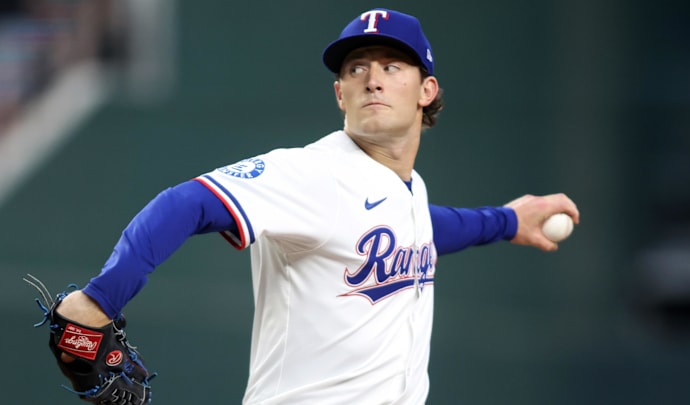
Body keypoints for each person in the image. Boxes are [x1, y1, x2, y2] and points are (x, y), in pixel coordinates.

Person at [53, 8, 580, 404]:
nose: (372, 77)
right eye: (356, 69)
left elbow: (423, 227)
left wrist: (507, 221)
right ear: (339, 95)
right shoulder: (312, 173)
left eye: (393, 66)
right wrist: (101, 298)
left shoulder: (406, 189)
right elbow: (184, 203)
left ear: (427, 89)